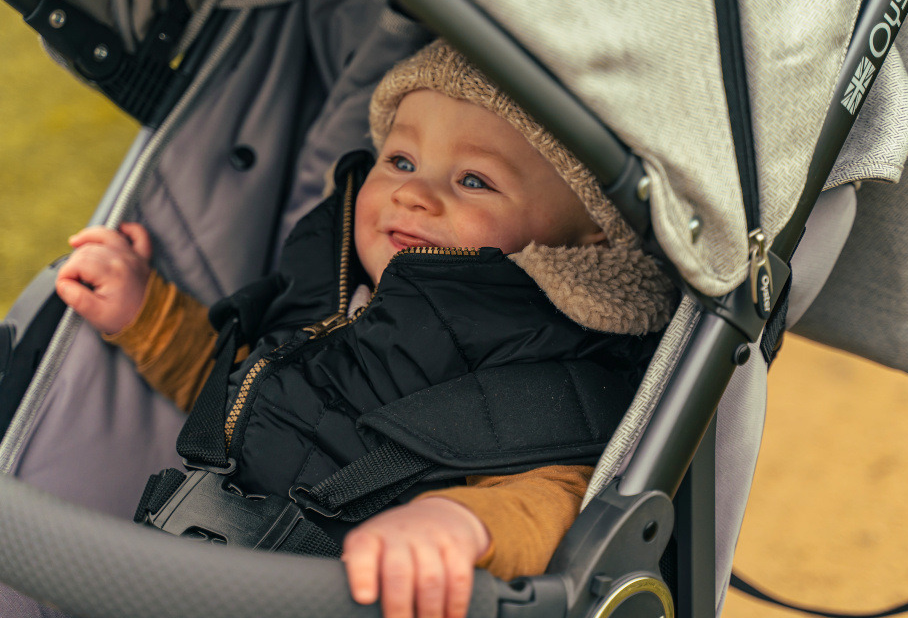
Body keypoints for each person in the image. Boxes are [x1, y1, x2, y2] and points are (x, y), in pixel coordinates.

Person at [54, 40, 676, 618]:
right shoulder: (330, 291)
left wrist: (458, 524)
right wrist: (149, 315)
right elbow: (237, 390)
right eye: (401, 160)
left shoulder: (545, 361)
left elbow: (553, 495)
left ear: (590, 229)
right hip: (189, 570)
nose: (413, 194)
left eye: (473, 180)